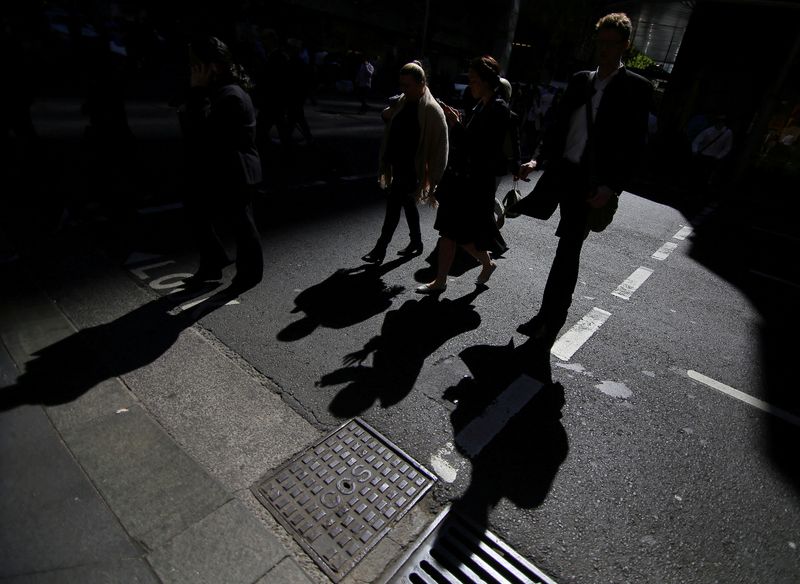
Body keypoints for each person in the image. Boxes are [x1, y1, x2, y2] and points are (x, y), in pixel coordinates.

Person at [516, 12, 653, 343]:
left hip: (591, 183)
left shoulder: (636, 88)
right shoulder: (580, 80)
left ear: (626, 46)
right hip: (562, 172)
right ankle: (546, 315)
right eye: (600, 42)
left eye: (611, 44)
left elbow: (634, 146)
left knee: (568, 249)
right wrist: (537, 158)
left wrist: (611, 186)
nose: (603, 50)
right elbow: (558, 125)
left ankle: (551, 317)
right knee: (526, 213)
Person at [416, 55, 523, 294]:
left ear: (486, 81)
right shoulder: (482, 104)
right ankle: (477, 267)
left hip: (473, 183)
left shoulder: (497, 109)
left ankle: (443, 279)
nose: (470, 85)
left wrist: (456, 125)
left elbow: (481, 149)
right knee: (454, 233)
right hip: (462, 179)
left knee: (456, 234)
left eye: (474, 80)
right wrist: (458, 122)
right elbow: (471, 139)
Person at [178, 36, 264, 292]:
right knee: (198, 213)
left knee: (241, 224)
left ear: (212, 66)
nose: (192, 69)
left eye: (196, 64)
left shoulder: (230, 95)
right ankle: (213, 262)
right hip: (222, 169)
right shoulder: (222, 90)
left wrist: (196, 92)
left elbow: (201, 133)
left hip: (234, 172)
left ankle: (249, 272)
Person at [361, 61, 449, 265]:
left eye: (407, 85)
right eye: (401, 85)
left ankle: (380, 248)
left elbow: (441, 145)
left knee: (393, 207)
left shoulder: (432, 110)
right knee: (408, 203)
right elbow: (386, 117)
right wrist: (391, 108)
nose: (403, 89)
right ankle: (416, 242)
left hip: (413, 167)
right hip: (397, 162)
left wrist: (435, 177)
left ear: (421, 84)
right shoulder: (402, 101)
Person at [690, 114, 733, 187]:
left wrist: (719, 156)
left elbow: (727, 147)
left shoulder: (727, 133)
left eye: (722, 122)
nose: (720, 123)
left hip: (714, 158)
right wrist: (695, 151)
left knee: (707, 175)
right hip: (703, 155)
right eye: (719, 121)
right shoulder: (708, 131)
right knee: (698, 173)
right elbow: (697, 140)